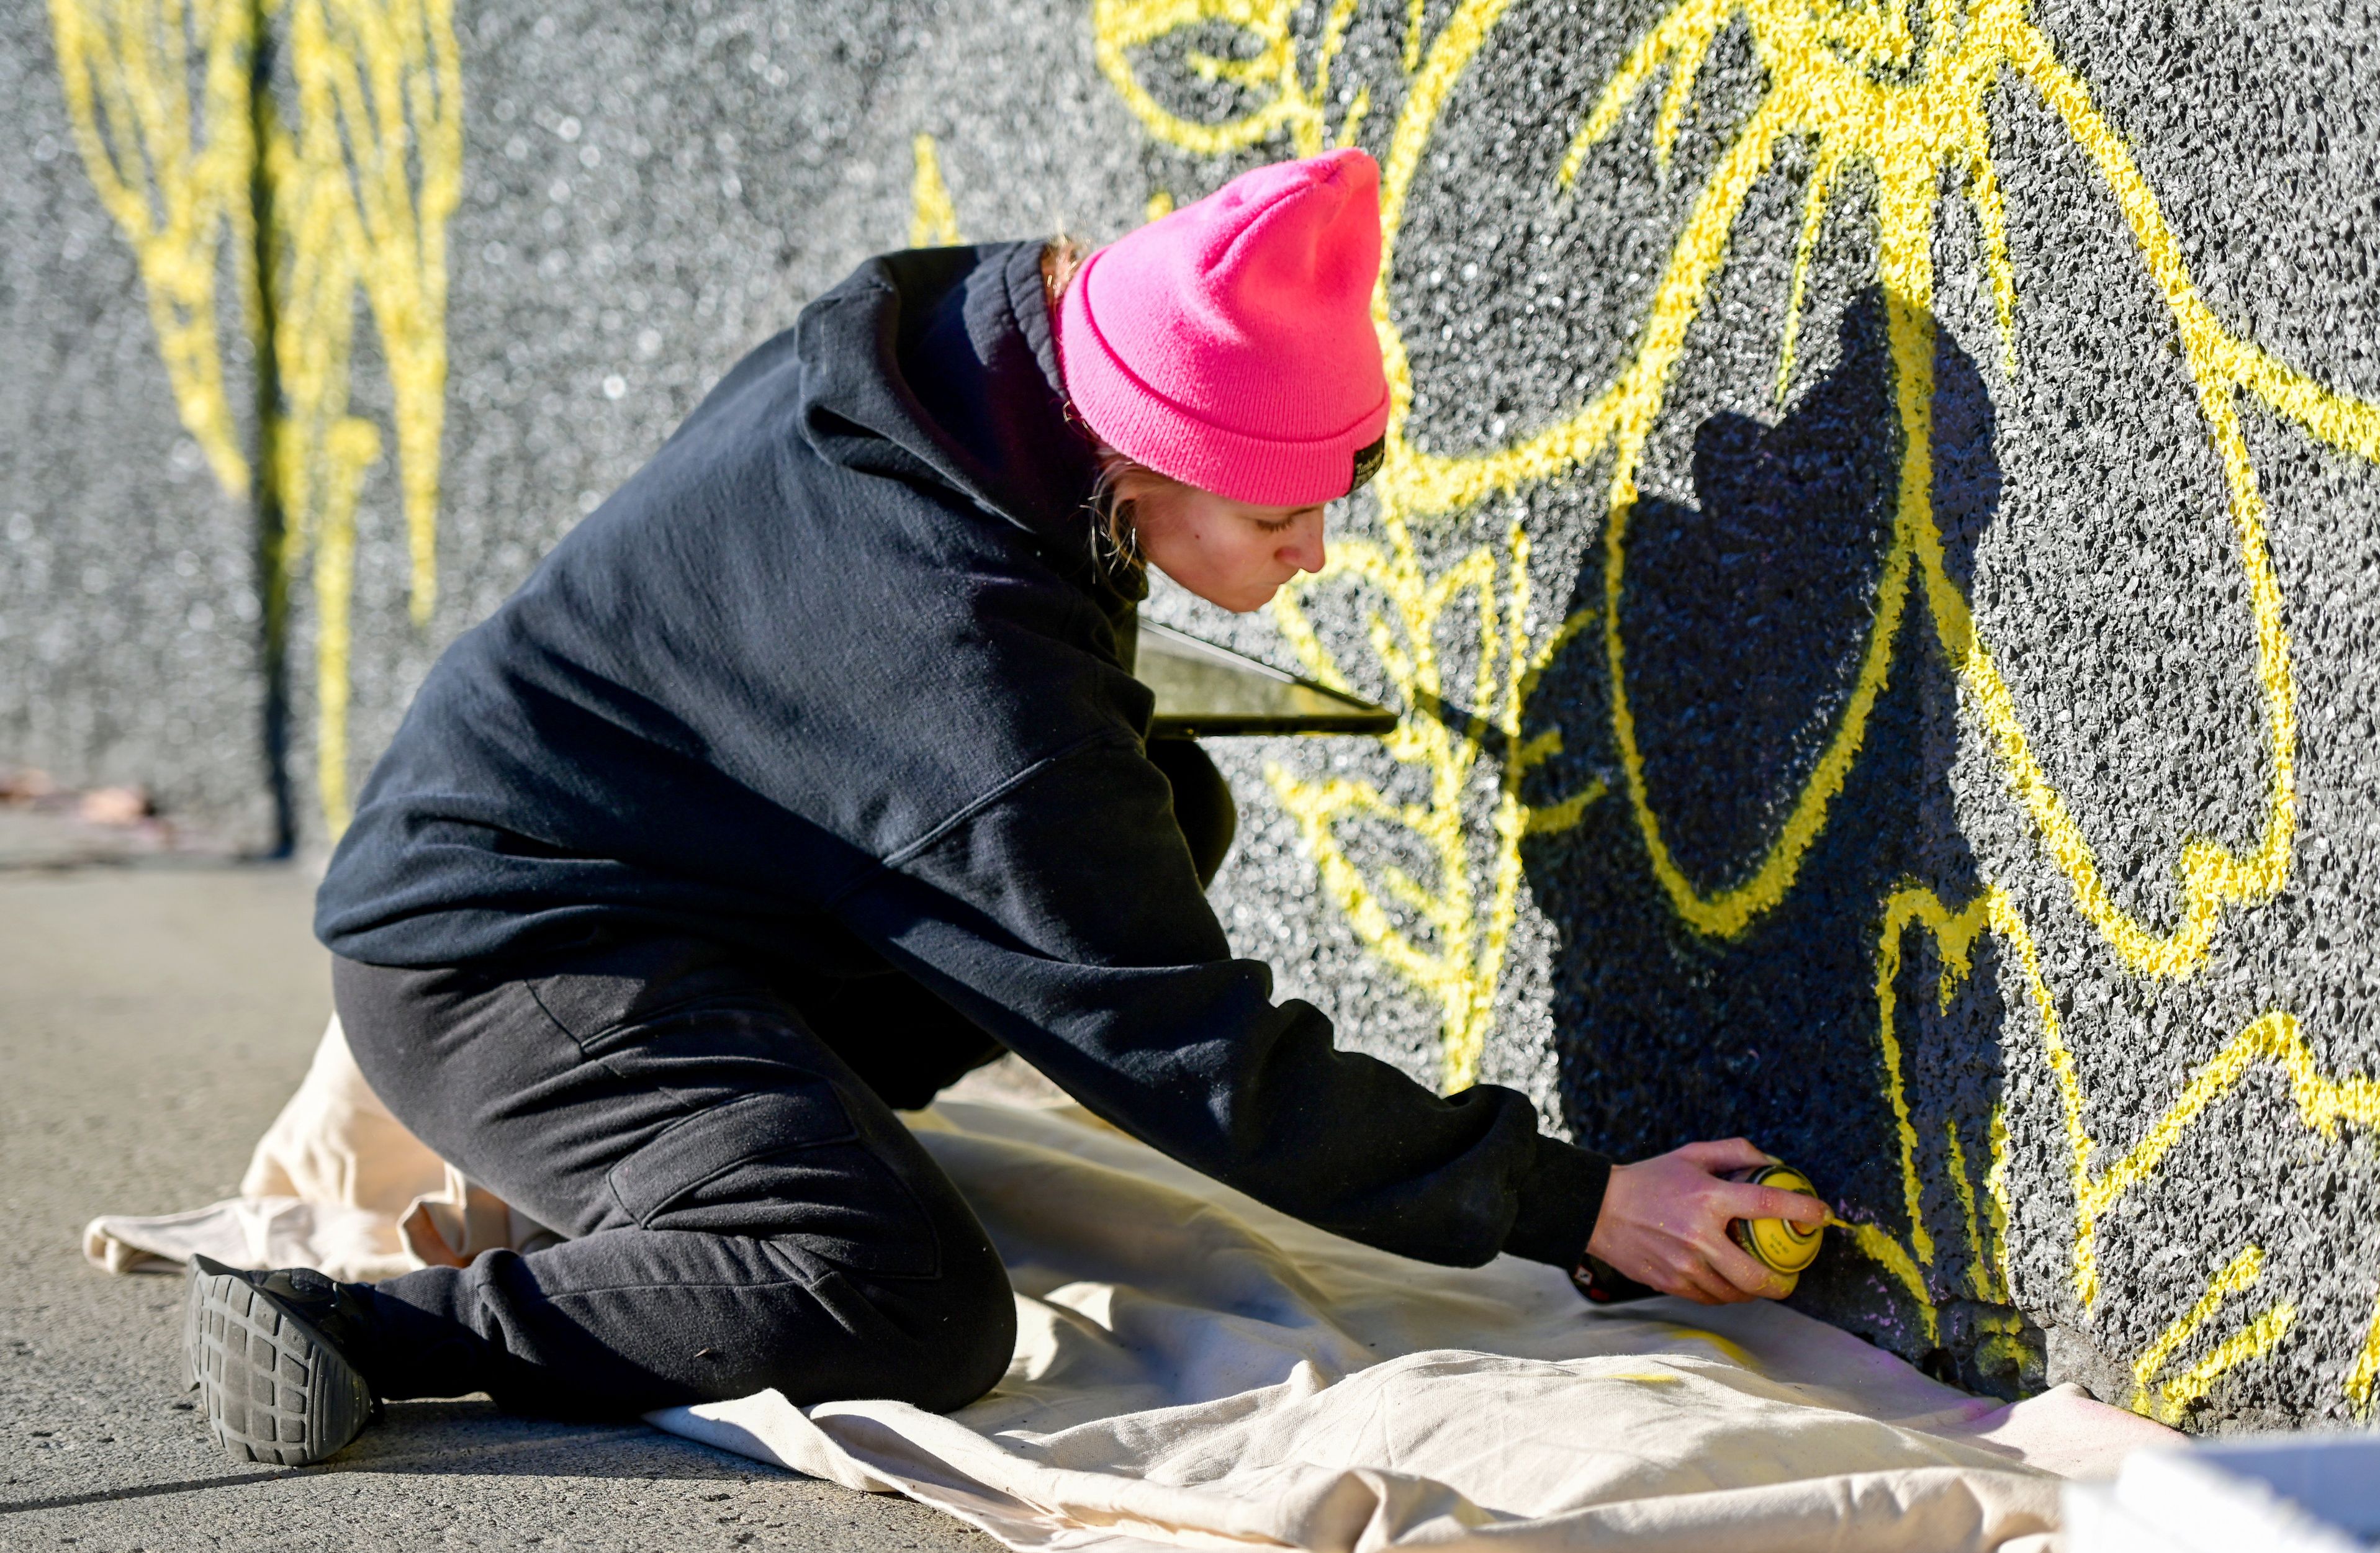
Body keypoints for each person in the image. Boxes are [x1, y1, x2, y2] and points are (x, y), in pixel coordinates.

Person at [183, 149, 1832, 1467]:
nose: (1313, 554)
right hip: (493, 959)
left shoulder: (956, 350)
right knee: (900, 1295)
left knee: (1155, 808)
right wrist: (1581, 1203)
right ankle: (369, 1324)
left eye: (1341, 494)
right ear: (1146, 460)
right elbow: (1198, 1063)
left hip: (639, 885)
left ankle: (665, 1190)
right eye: (1279, 518)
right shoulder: (967, 675)